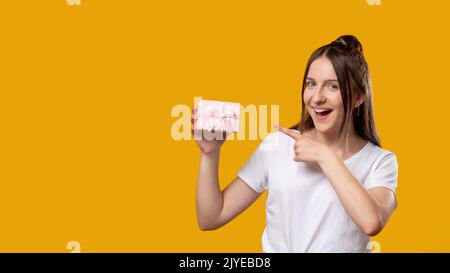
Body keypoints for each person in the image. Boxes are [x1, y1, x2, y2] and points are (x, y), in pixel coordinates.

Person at [192, 35, 398, 253]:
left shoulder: (380, 162)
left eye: (332, 86)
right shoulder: (277, 145)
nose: (316, 97)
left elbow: (372, 222)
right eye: (311, 84)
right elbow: (211, 218)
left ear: (358, 97)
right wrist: (210, 154)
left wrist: (323, 155)